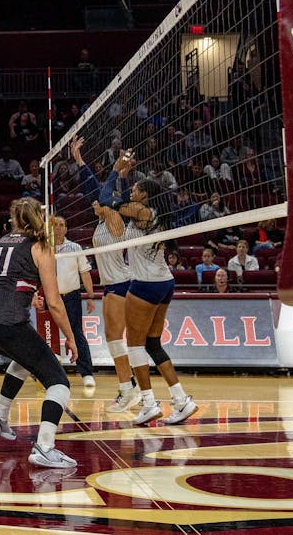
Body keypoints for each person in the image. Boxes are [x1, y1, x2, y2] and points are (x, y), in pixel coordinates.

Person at [0, 198, 80, 469]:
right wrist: (70, 336)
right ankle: (45, 447)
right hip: (7, 322)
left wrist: (30, 295)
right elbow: (55, 303)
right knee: (59, 383)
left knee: (23, 358)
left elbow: (7, 280)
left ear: (15, 220)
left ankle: (0, 417)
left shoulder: (0, 243)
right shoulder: (41, 247)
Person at [101, 152, 198, 426]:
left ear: (144, 195)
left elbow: (107, 198)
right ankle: (181, 400)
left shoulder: (142, 212)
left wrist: (116, 172)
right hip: (164, 282)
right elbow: (114, 203)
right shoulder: (151, 212)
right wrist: (123, 175)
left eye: (136, 189)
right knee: (153, 343)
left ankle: (148, 403)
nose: (132, 191)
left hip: (145, 285)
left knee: (134, 344)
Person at [71, 135, 138, 412]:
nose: (93, 203)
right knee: (115, 341)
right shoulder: (103, 220)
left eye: (99, 202)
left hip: (122, 285)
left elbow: (101, 194)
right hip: (113, 286)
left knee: (121, 341)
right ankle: (130, 388)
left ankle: (132, 390)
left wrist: (117, 170)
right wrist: (79, 160)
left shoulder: (114, 219)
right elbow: (95, 192)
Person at [45, 215, 96, 389]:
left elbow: (85, 273)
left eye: (61, 225)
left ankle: (87, 373)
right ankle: (45, 373)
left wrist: (90, 296)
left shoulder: (75, 247)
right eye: (55, 225)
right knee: (46, 335)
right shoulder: (45, 248)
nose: (58, 228)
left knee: (76, 333)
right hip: (50, 297)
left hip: (71, 296)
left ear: (66, 229)